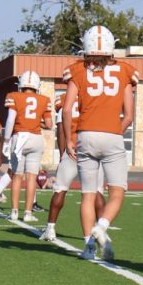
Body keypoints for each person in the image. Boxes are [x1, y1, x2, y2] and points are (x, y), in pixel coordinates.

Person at [61, 25, 137, 261]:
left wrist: (68, 140)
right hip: (111, 134)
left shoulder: (77, 70)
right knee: (116, 192)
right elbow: (130, 115)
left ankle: (88, 248)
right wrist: (116, 131)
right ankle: (101, 226)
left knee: (88, 195)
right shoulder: (125, 70)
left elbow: (66, 109)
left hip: (85, 134)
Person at [40, 78, 105, 243]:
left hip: (73, 150)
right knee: (96, 192)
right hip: (93, 151)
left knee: (60, 190)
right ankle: (101, 231)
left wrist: (63, 153)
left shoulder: (64, 101)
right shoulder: (96, 99)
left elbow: (61, 130)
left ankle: (50, 228)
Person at [1, 72, 51, 222]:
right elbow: (49, 124)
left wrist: (6, 140)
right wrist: (36, 123)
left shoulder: (14, 96)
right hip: (36, 139)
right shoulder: (44, 99)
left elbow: (10, 120)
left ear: (21, 84)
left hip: (20, 138)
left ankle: (14, 211)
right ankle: (28, 213)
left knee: (17, 177)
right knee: (31, 178)